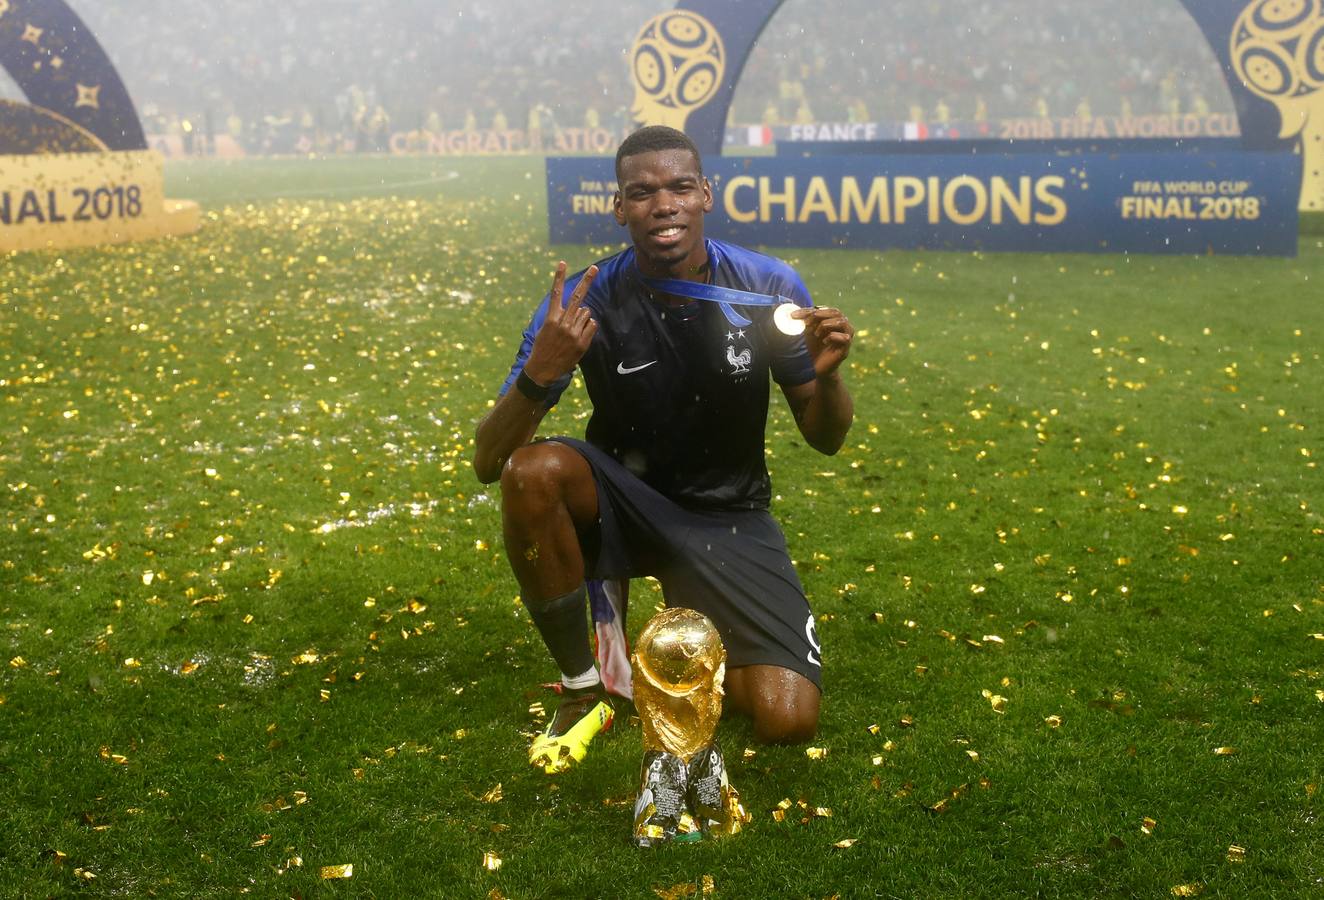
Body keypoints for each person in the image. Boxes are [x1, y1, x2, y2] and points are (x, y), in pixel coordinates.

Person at [473, 125, 854, 774]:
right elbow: (489, 462)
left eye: (680, 187)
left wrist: (830, 375)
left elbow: (825, 438)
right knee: (532, 472)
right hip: (622, 498)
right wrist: (541, 375)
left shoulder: (767, 286)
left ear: (706, 194)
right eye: (642, 192)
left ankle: (664, 655)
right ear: (620, 208)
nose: (664, 204)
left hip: (727, 513)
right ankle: (584, 687)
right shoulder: (584, 301)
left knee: (787, 719)